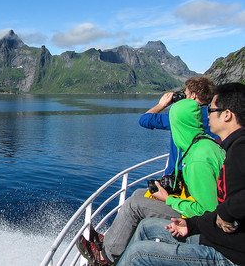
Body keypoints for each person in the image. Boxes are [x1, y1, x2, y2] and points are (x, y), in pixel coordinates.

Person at [78, 98, 225, 266]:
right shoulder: (201, 145)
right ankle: (113, 242)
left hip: (197, 221)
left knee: (134, 205)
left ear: (179, 124)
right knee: (139, 194)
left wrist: (168, 199)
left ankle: (105, 257)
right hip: (191, 204)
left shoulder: (198, 159)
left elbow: (208, 211)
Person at [116, 82, 245, 265]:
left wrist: (169, 200)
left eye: (211, 110)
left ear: (227, 115)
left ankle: (108, 256)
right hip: (213, 233)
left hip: (228, 251)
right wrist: (191, 225)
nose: (206, 115)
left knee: (138, 252)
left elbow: (210, 208)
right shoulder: (222, 146)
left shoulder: (209, 155)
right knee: (145, 225)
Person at [139, 76, 219, 176]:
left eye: (185, 94)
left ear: (193, 95)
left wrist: (162, 105)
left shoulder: (181, 116)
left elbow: (144, 120)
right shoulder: (217, 116)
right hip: (209, 172)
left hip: (180, 175)